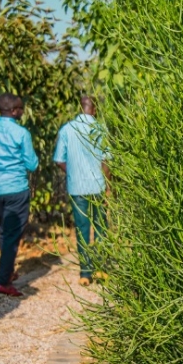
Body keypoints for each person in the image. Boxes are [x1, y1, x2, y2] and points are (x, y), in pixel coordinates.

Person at [0, 93, 38, 298]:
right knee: (12, 235)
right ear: (14, 111)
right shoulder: (21, 133)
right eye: (21, 109)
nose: (23, 112)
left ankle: (8, 271)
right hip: (15, 187)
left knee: (5, 231)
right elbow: (31, 164)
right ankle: (2, 282)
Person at [54, 96, 109, 286]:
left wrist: (74, 172)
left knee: (82, 228)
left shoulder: (67, 129)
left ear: (80, 109)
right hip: (98, 186)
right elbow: (106, 160)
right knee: (101, 227)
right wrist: (109, 187)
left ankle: (85, 273)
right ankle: (102, 269)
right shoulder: (101, 128)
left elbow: (59, 159)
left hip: (77, 187)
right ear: (94, 110)